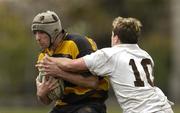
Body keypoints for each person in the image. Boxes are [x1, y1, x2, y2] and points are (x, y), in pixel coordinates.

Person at [38, 16, 174, 113]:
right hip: (164, 107)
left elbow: (71, 65)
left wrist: (48, 61)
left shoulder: (110, 54)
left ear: (115, 37)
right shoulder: (146, 56)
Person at [31, 10, 109, 113]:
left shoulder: (78, 43)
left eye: (41, 32)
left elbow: (93, 82)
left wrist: (59, 73)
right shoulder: (43, 56)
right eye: (35, 33)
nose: (37, 38)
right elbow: (46, 101)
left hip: (89, 103)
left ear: (53, 31)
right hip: (63, 106)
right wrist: (41, 94)